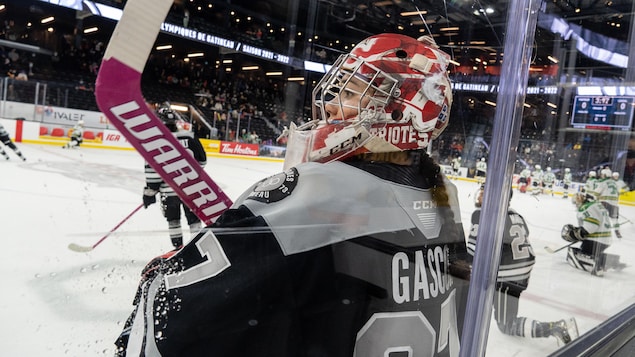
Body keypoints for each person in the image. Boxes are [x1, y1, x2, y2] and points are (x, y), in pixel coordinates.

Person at [115, 33, 471, 356]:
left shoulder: (319, 193)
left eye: (351, 92)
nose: (331, 106)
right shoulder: (444, 203)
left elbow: (170, 327)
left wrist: (158, 281)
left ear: (400, 110)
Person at [467, 186, 578, 345]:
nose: (479, 197)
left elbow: (472, 252)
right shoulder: (516, 215)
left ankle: (557, 327)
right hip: (522, 271)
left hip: (508, 275)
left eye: (484, 194)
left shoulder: (481, 214)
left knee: (506, 324)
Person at [142, 106, 207, 249]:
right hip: (191, 189)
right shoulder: (189, 135)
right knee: (194, 221)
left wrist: (149, 193)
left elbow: (152, 174)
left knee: (173, 221)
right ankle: (197, 250)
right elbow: (202, 161)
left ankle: (178, 250)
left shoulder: (154, 142)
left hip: (169, 192)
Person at [561, 192, 624, 277]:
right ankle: (612, 260)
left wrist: (580, 233)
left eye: (576, 203)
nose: (576, 205)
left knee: (581, 253)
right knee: (591, 253)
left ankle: (597, 265)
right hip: (605, 240)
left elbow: (592, 225)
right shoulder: (595, 204)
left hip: (595, 240)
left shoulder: (585, 208)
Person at [593, 168, 621, 238]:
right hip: (614, 203)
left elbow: (596, 193)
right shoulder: (614, 183)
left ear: (605, 175)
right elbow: (618, 193)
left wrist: (595, 199)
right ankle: (617, 231)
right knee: (614, 219)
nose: (601, 176)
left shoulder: (603, 182)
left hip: (604, 202)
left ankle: (597, 230)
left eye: (602, 174)